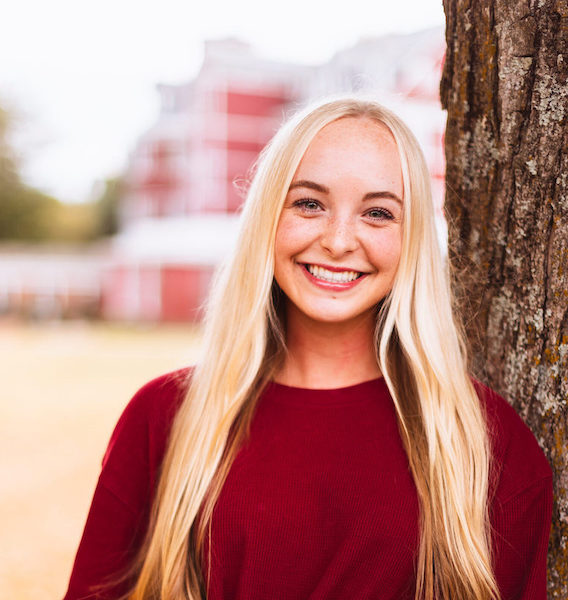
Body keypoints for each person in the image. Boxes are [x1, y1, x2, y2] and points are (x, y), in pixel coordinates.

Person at [63, 97, 553, 600]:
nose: (339, 241)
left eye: (379, 213)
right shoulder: (164, 416)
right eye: (309, 203)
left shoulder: (484, 444)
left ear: (413, 240)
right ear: (267, 219)